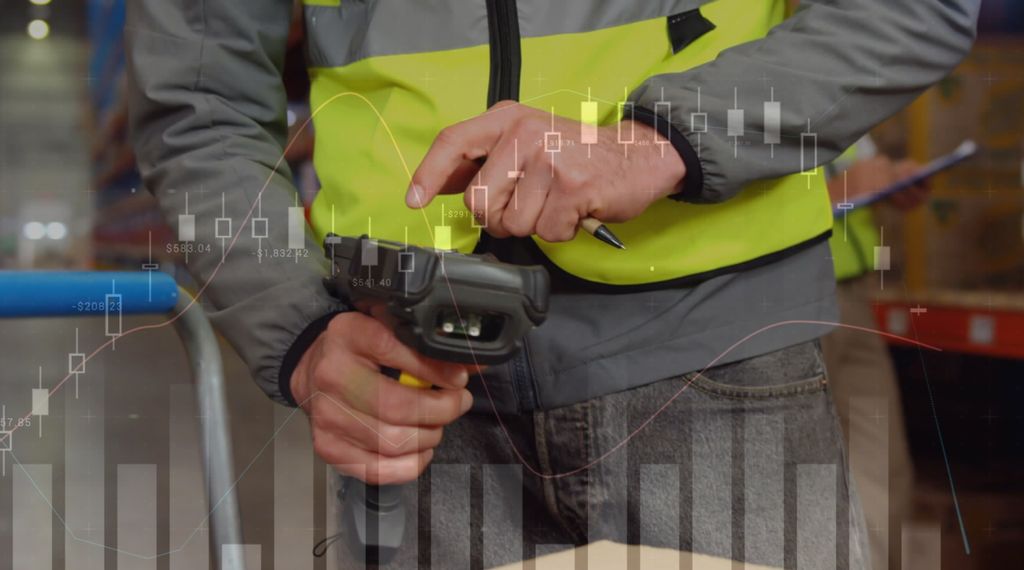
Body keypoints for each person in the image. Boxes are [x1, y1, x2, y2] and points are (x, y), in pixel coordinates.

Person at [126, 1, 978, 567]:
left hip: (719, 364)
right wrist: (302, 333)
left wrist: (655, 141)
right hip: (406, 380)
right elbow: (196, 110)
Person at [822, 137, 931, 570]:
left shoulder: (827, 85)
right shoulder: (729, 88)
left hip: (850, 296)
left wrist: (893, 179)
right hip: (780, 301)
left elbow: (860, 165)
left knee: (882, 470)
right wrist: (834, 195)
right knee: (795, 473)